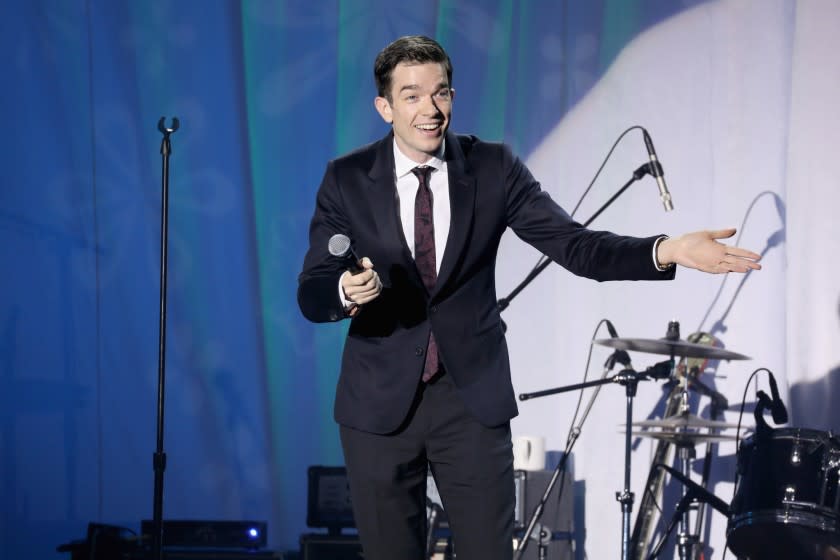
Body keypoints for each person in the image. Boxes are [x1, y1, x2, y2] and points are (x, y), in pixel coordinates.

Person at [297, 35, 761, 560]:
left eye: (441, 92)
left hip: (469, 399)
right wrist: (344, 289)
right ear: (384, 107)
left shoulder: (492, 168)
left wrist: (668, 249)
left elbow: (577, 247)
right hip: (377, 404)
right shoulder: (349, 179)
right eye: (412, 95)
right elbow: (313, 289)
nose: (430, 109)